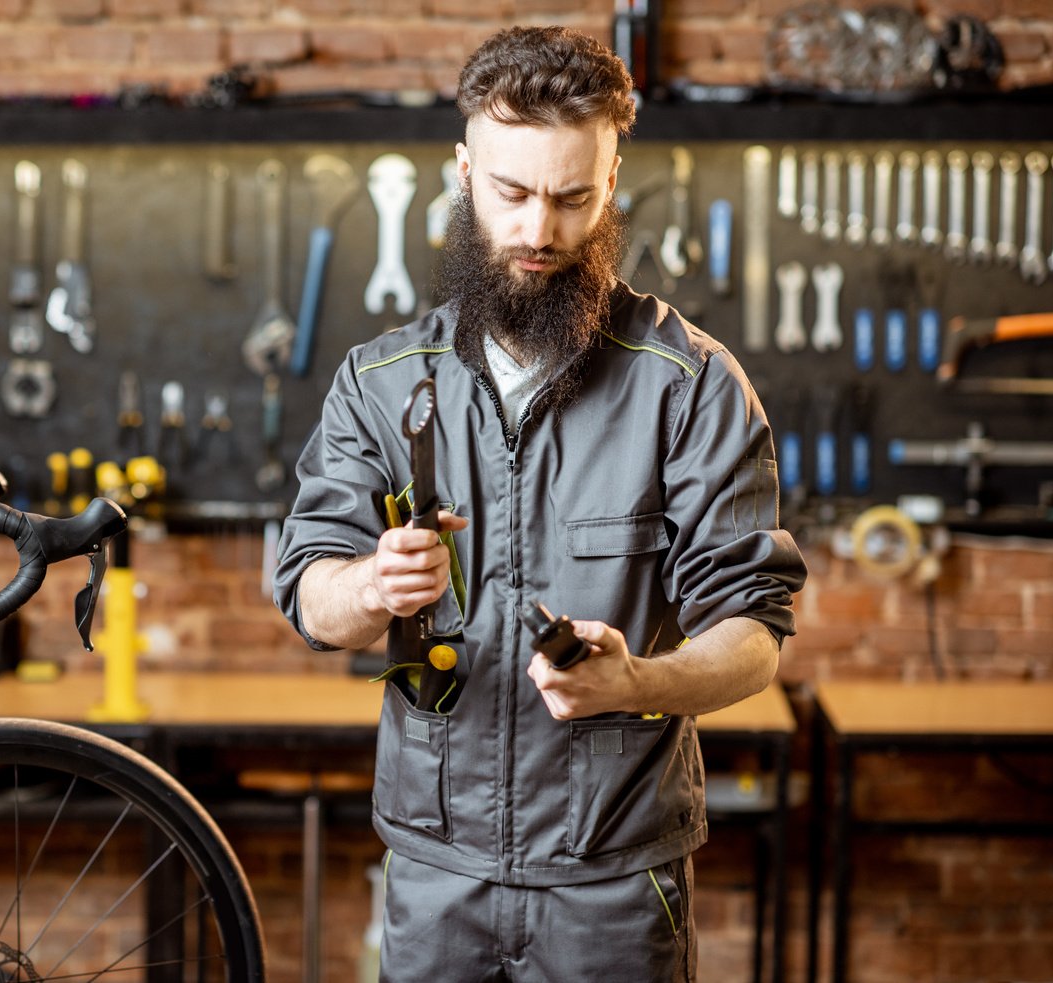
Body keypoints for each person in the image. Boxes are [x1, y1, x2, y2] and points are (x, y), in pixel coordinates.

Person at [272, 25, 808, 982]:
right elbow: (312, 598)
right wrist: (372, 582)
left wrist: (636, 683)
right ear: (464, 172)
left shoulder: (687, 386)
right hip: (438, 875)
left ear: (610, 183)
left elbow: (755, 635)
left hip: (613, 881)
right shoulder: (382, 384)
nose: (537, 231)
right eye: (512, 193)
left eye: (572, 197)